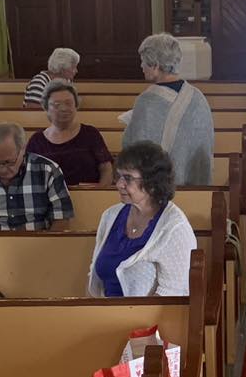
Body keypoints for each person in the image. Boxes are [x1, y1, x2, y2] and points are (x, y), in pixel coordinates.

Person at [87, 142, 199, 297]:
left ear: (152, 182)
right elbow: (95, 276)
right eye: (119, 176)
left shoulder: (175, 228)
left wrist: (131, 318)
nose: (119, 184)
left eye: (127, 178)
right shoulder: (110, 216)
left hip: (148, 319)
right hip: (106, 314)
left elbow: (174, 293)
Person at [122, 33, 215, 186]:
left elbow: (133, 148)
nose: (141, 66)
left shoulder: (147, 101)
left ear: (156, 65)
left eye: (144, 62)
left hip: (158, 191)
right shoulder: (198, 97)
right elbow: (207, 144)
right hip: (197, 191)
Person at [0, 122, 74, 231]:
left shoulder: (48, 170)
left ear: (22, 149)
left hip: (38, 246)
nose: (2, 169)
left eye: (9, 162)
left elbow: (62, 220)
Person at [25, 79, 114, 186]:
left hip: (89, 197)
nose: (63, 109)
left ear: (76, 105)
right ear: (46, 108)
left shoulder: (91, 134)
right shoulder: (37, 141)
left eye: (68, 103)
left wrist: (100, 191)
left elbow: (106, 169)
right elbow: (29, 176)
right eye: (56, 105)